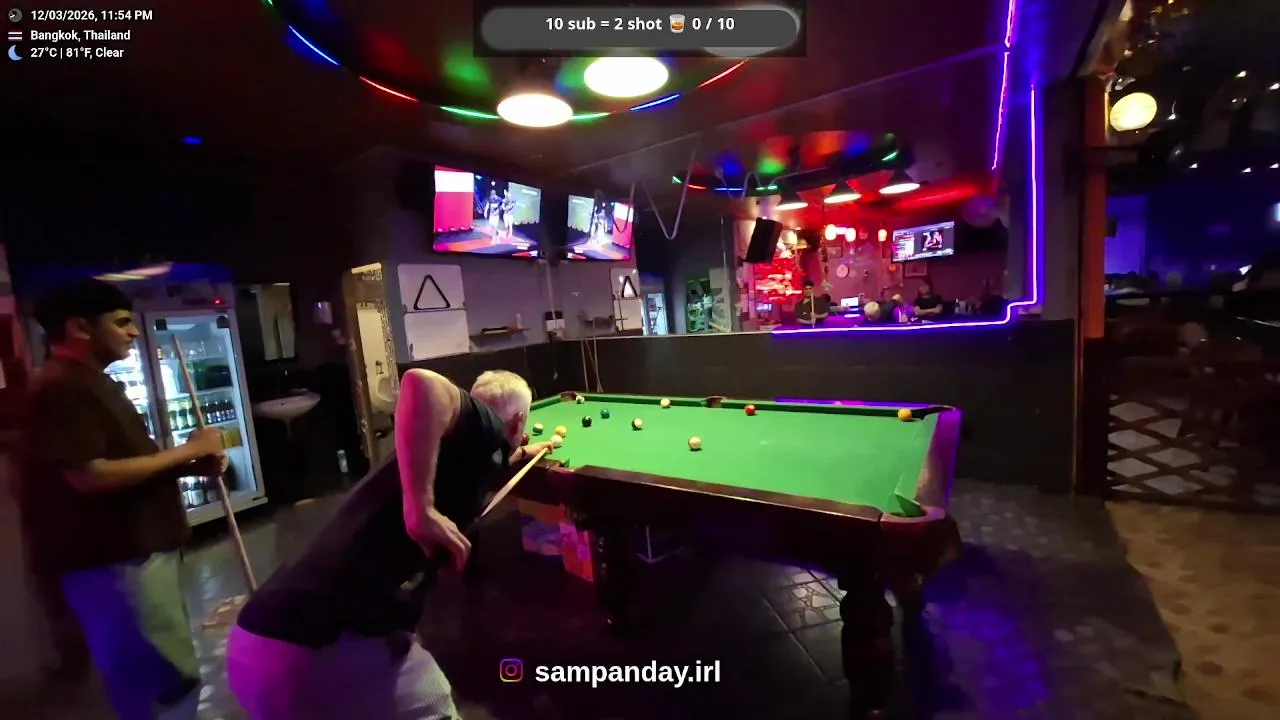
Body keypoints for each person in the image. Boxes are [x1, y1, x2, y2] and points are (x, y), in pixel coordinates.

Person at [226, 369, 556, 719]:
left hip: (257, 640)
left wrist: (525, 451)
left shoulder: (454, 451)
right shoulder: (485, 430)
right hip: (312, 649)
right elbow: (421, 383)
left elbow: (493, 462)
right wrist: (420, 508)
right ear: (517, 421)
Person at [18, 279, 227, 720]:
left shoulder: (90, 382)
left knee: (164, 671)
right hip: (117, 562)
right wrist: (186, 451)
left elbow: (120, 466)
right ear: (80, 328)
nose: (134, 331)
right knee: (162, 679)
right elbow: (88, 475)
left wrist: (190, 465)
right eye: (121, 322)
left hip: (133, 557)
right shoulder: (62, 387)